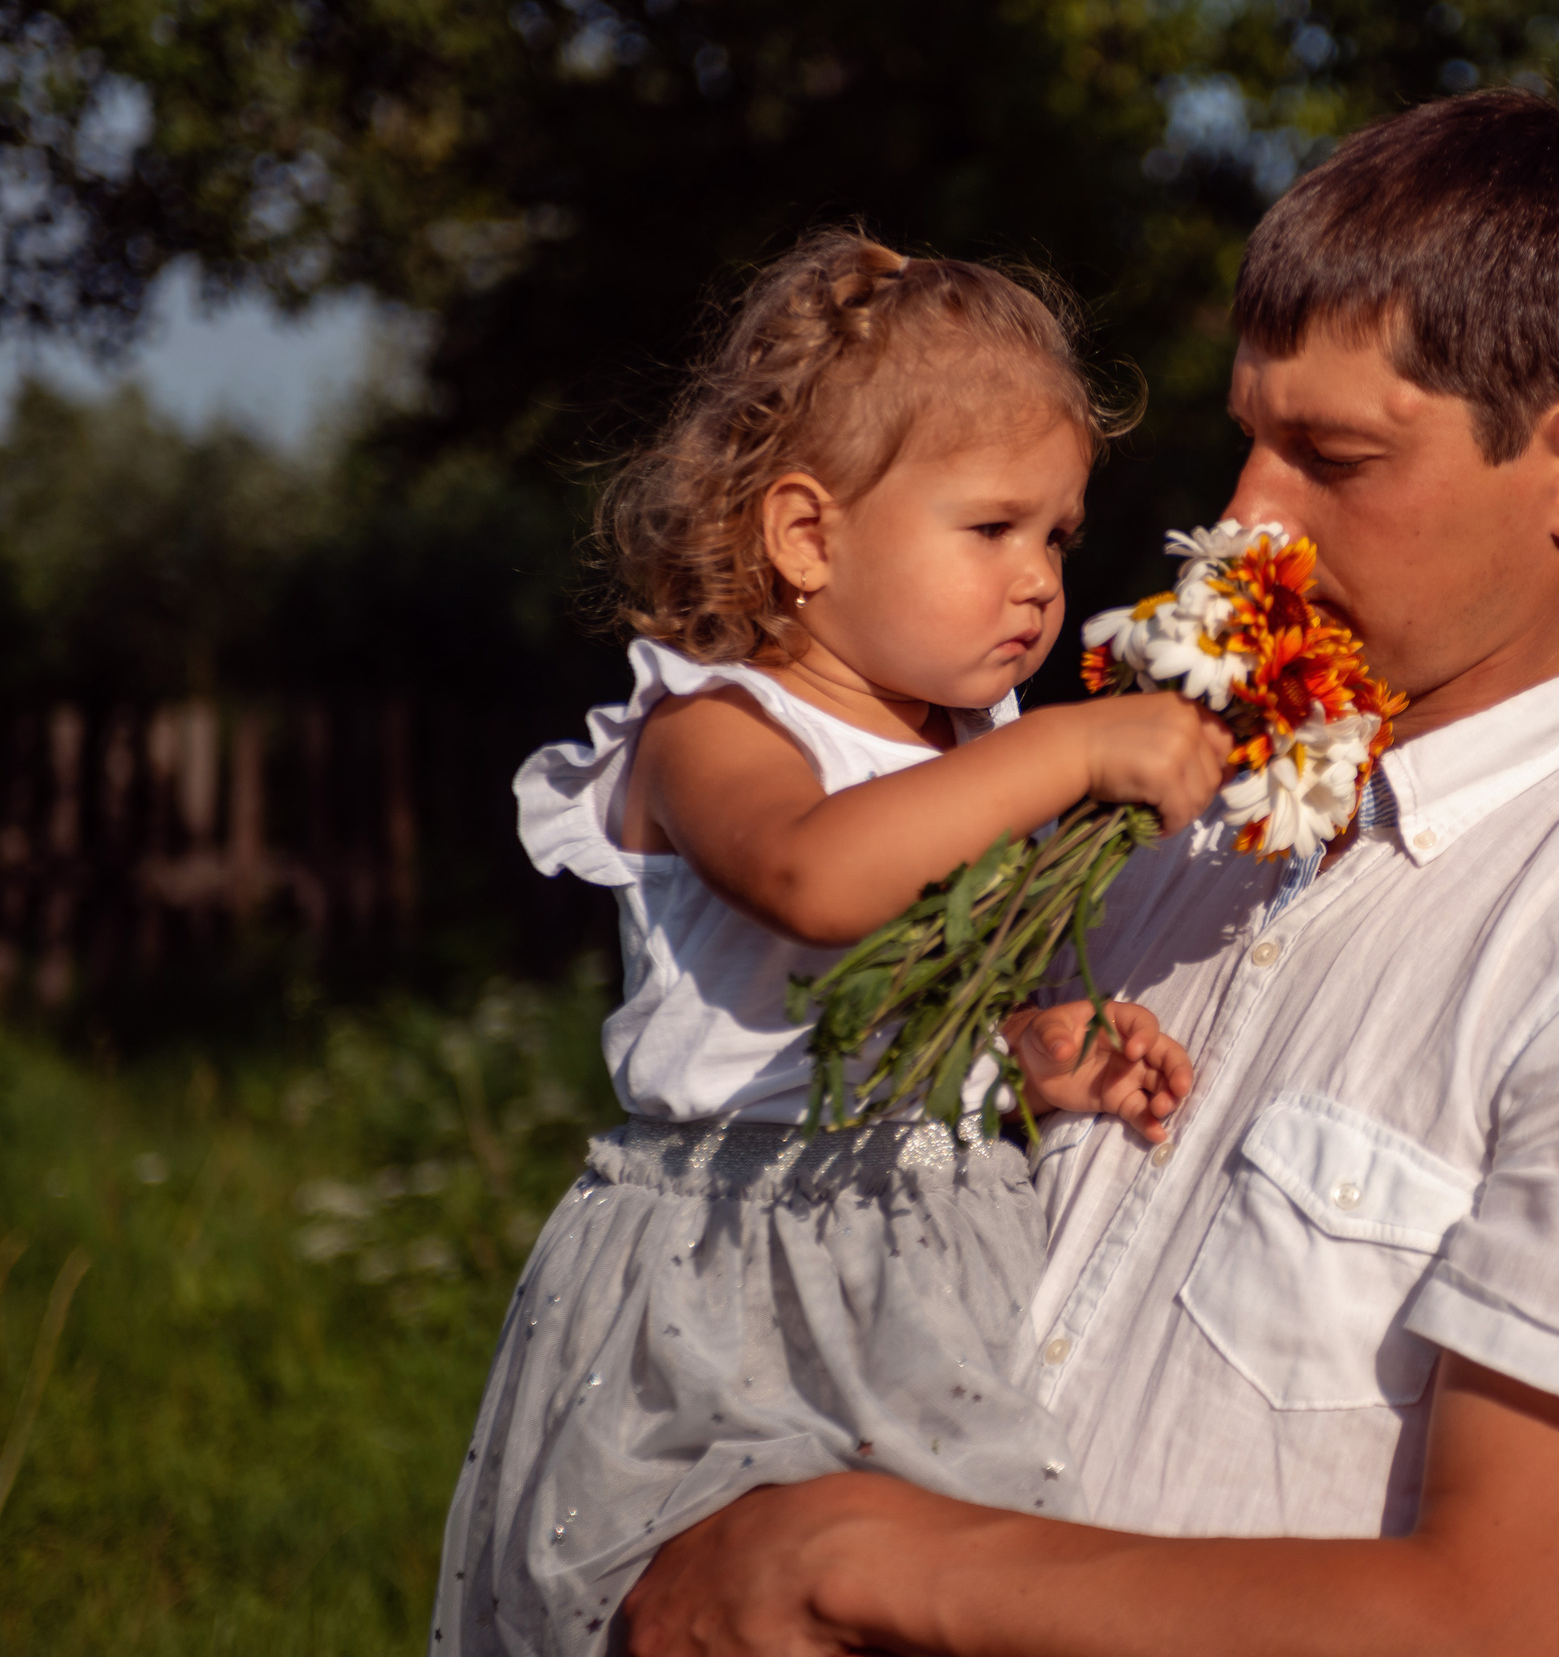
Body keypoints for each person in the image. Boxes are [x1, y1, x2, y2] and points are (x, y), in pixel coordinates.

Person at [622, 89, 1559, 1657]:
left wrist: (845, 1558)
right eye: (1252, 436)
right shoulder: (1164, 810)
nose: (1244, 518)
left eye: (1332, 455)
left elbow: (1501, 1621)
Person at [432, 228, 1236, 1655]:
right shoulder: (714, 731)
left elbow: (881, 1021)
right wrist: (1070, 745)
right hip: (740, 1266)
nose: (1043, 581)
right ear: (808, 536)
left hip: (929, 1258)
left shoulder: (971, 754)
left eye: (1057, 534)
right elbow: (814, 882)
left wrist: (1028, 1058)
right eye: (992, 530)